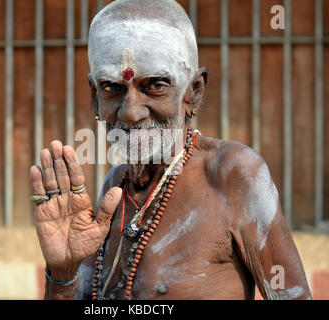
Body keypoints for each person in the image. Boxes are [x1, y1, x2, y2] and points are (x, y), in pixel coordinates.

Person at [29, 0, 311, 300]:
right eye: (112, 88)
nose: (130, 112)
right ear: (95, 98)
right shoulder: (114, 187)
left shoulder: (232, 175)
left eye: (155, 85)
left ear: (194, 92)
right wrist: (62, 273)